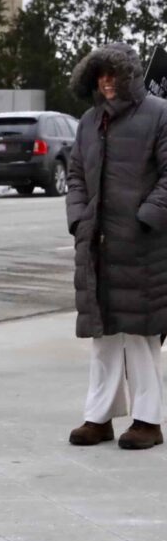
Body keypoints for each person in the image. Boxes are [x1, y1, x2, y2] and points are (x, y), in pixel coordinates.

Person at [66, 42, 167, 451]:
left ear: (129, 76)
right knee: (102, 334)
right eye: (99, 75)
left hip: (142, 245)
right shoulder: (89, 122)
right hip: (96, 245)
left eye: (113, 74)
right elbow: (75, 175)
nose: (106, 82)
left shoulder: (159, 114)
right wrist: (77, 218)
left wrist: (145, 218)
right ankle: (100, 416)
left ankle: (148, 419)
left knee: (140, 336)